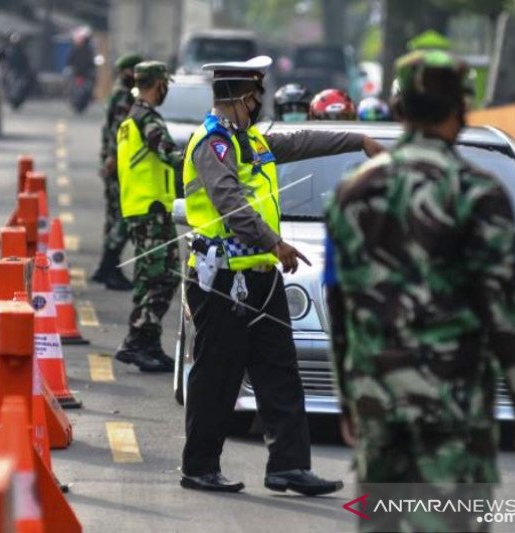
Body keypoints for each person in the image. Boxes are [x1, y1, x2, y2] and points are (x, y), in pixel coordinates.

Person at [324, 49, 515, 532]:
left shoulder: (353, 191)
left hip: (377, 398)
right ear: (462, 109)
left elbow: (341, 301)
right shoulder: (478, 191)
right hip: (453, 402)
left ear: (397, 108)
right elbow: (506, 305)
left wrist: (347, 396)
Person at [180, 56, 384, 495]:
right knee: (218, 377)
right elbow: (230, 203)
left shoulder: (248, 139)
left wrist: (358, 140)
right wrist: (275, 242)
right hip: (221, 283)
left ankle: (288, 467)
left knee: (280, 373)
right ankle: (199, 466)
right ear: (239, 98)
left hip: (260, 279)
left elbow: (301, 141)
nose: (258, 106)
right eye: (255, 98)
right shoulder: (212, 145)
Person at [114, 61, 183, 373]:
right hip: (152, 211)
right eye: (165, 83)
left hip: (138, 209)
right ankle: (135, 341)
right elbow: (170, 154)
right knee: (164, 277)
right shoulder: (148, 120)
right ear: (159, 84)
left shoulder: (129, 120)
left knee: (147, 277)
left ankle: (149, 343)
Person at [91, 52, 144, 291]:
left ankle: (106, 268)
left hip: (114, 163)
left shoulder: (119, 93)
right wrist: (113, 158)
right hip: (119, 166)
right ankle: (109, 267)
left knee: (114, 217)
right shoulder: (124, 96)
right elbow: (119, 131)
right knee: (122, 218)